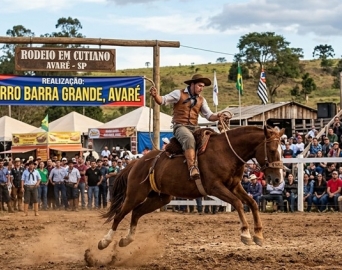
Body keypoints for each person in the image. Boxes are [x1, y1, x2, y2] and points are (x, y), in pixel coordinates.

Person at [150, 74, 222, 181]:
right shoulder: (178, 94)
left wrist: (218, 116)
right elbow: (162, 100)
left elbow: (209, 115)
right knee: (189, 138)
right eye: (199, 86)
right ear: (192, 84)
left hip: (194, 127)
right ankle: (192, 168)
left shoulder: (202, 100)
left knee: (211, 139)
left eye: (203, 86)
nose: (201, 88)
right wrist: (155, 96)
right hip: (180, 126)